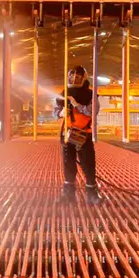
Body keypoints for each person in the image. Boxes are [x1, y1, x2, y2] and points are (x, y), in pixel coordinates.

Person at [53, 65, 102, 205]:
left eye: (78, 76)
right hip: (67, 135)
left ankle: (92, 194)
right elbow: (54, 111)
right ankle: (69, 194)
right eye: (72, 76)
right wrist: (60, 113)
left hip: (83, 135)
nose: (74, 78)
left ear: (83, 78)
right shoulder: (63, 93)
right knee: (68, 165)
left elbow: (92, 112)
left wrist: (76, 104)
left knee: (88, 165)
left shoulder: (90, 95)